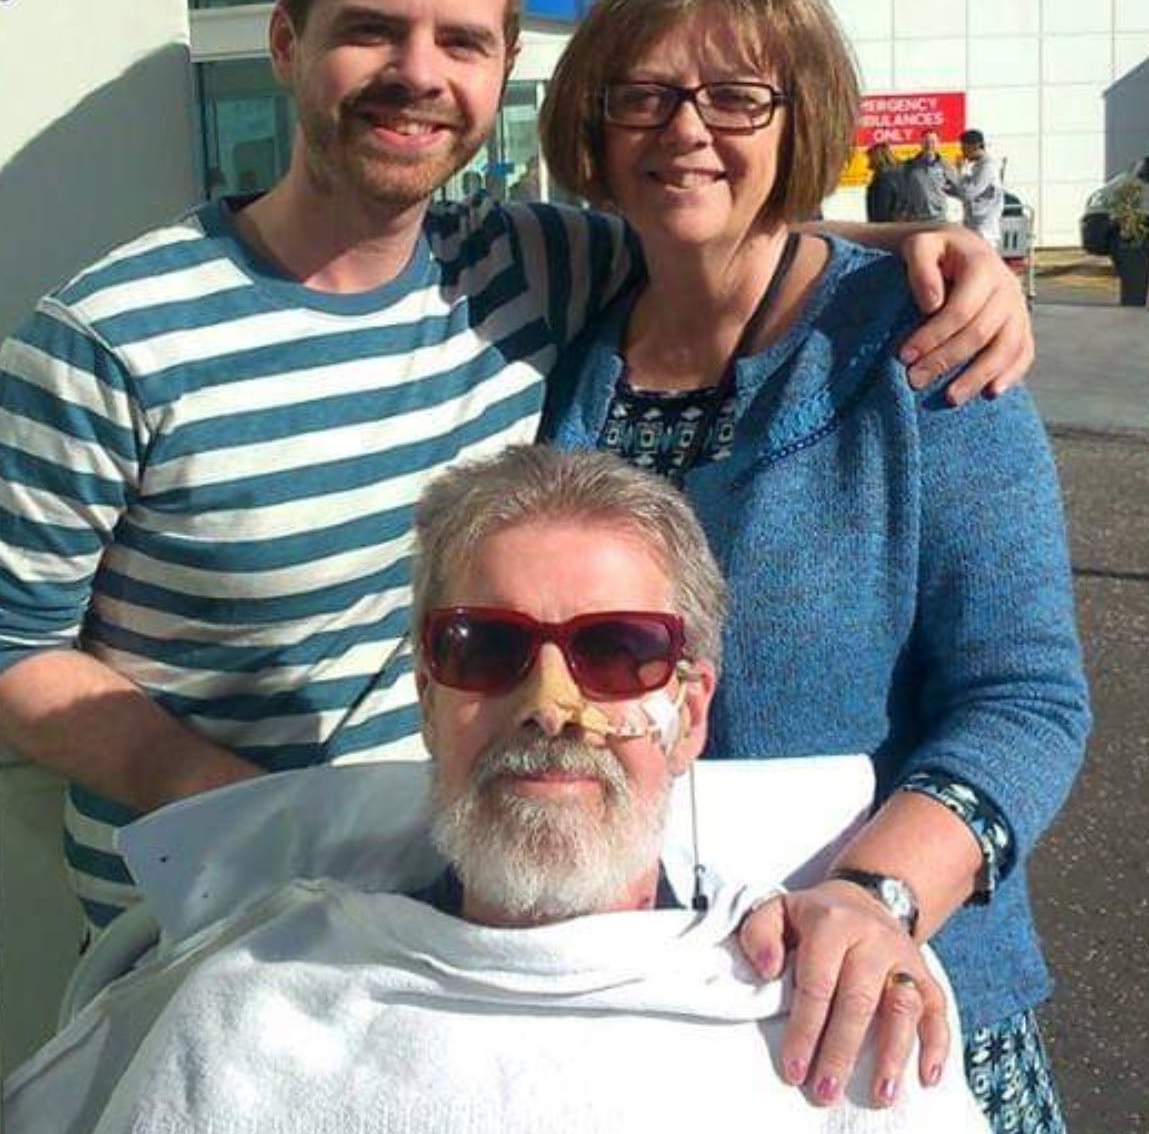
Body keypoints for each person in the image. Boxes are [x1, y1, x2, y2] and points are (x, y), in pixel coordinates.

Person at [0, 0, 1032, 937]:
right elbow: (11, 650)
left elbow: (713, 220)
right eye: (370, 29)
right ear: (284, 41)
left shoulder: (523, 267)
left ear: (503, 69)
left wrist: (928, 247)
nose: (417, 73)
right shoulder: (108, 338)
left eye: (461, 41)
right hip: (210, 920)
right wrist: (241, 802)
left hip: (472, 908)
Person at [4, 446, 989, 1134]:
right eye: (487, 647)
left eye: (617, 650)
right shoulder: (249, 1009)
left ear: (691, 712)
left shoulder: (843, 1019)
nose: (550, 704)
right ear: (429, 698)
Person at [538, 0, 1089, 1134]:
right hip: (629, 1002)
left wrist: (874, 892)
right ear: (596, 122)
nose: (686, 128)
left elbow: (1027, 698)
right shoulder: (563, 350)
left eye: (737, 97)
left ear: (802, 124)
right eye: (644, 92)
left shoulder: (922, 346)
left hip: (887, 1003)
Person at [952, 129, 1005, 250]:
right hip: (974, 224)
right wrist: (952, 190)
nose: (962, 153)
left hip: (984, 229)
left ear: (975, 146)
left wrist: (961, 171)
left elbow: (969, 193)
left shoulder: (987, 167)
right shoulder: (978, 167)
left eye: (964, 148)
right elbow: (967, 191)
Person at [901, 129, 959, 221]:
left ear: (938, 144)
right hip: (915, 218)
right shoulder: (909, 166)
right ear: (921, 143)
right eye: (926, 142)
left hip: (938, 218)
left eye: (933, 142)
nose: (929, 145)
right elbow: (901, 190)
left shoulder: (946, 166)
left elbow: (957, 189)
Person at [865, 143, 905, 222]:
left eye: (870, 158)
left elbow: (881, 210)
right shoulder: (900, 173)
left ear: (877, 158)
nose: (869, 162)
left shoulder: (883, 179)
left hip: (887, 227)